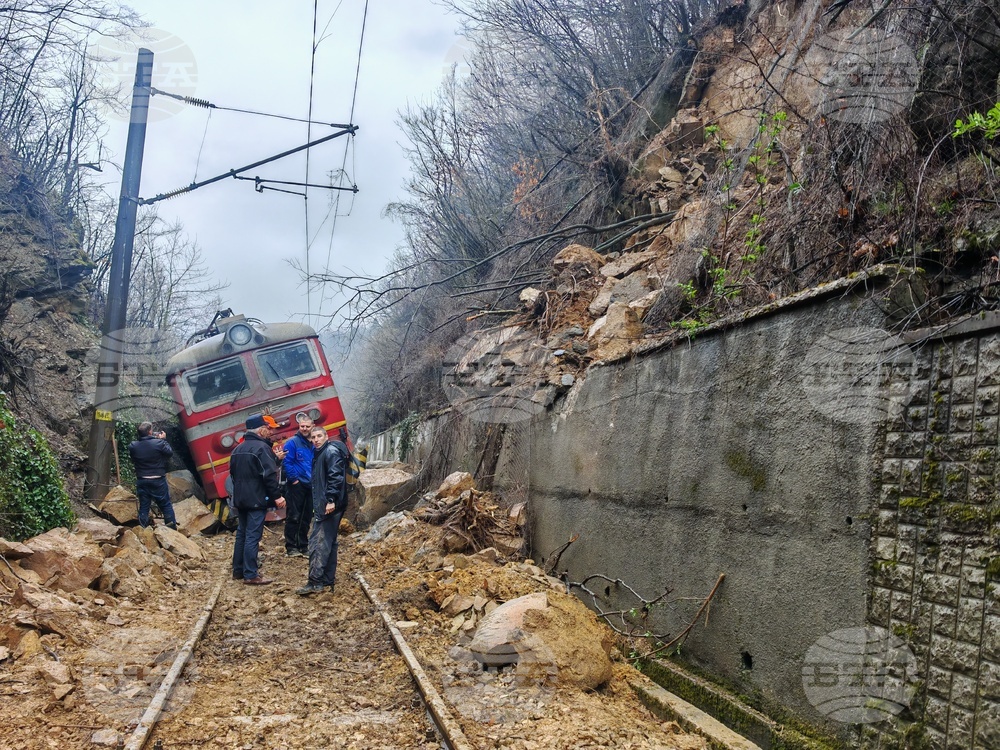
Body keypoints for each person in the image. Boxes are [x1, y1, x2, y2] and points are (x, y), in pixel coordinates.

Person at [230, 413, 286, 585]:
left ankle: (238, 571)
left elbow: (233, 474)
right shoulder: (262, 448)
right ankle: (251, 574)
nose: (270, 431)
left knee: (242, 534)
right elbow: (268, 475)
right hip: (256, 499)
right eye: (268, 428)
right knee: (253, 536)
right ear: (261, 430)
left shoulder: (237, 449)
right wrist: (277, 496)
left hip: (240, 499)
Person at [296, 426, 349, 596]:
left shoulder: (330, 452)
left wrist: (330, 500)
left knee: (317, 542)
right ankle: (327, 579)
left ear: (326, 436)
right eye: (313, 437)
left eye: (319, 436)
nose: (316, 439)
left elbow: (336, 477)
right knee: (330, 542)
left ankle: (315, 582)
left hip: (329, 505)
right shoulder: (322, 452)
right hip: (331, 503)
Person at [127, 422, 177, 530]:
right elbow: (169, 453)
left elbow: (137, 451)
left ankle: (143, 531)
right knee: (165, 505)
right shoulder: (159, 443)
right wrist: (163, 439)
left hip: (142, 480)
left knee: (144, 507)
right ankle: (172, 530)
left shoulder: (133, 446)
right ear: (150, 431)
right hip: (158, 480)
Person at [282, 412, 315, 558]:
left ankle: (303, 545)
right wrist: (294, 479)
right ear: (299, 426)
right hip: (297, 485)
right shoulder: (292, 443)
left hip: (311, 484)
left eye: (307, 426)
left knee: (307, 516)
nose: (305, 429)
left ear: (312, 426)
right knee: (294, 515)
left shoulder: (314, 443)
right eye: (302, 426)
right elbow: (287, 462)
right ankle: (291, 547)